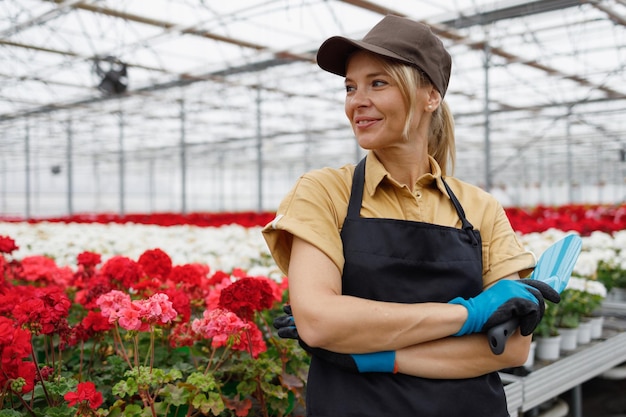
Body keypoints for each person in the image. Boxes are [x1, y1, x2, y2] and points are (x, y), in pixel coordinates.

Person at [262, 15, 559, 417]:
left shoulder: (480, 208)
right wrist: (472, 314)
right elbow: (319, 322)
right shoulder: (323, 192)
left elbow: (510, 347)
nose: (356, 101)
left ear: (429, 95)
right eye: (350, 87)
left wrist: (372, 355)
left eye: (377, 83)